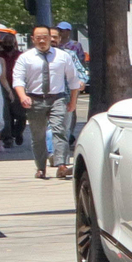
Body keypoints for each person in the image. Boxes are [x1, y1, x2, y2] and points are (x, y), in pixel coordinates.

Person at [14, 24, 86, 179]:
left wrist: (73, 102)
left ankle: (61, 165)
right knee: (38, 135)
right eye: (38, 38)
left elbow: (74, 80)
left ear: (51, 38)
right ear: (33, 39)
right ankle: (40, 168)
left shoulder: (63, 56)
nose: (42, 41)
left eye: (45, 37)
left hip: (57, 98)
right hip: (35, 99)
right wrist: (22, 96)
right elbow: (18, 80)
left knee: (60, 130)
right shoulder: (25, 58)